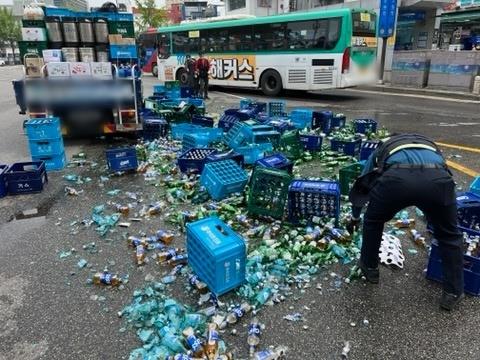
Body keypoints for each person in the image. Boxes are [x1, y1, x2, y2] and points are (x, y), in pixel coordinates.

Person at [347, 133, 464, 311]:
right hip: (438, 181)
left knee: (373, 220)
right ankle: (453, 292)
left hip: (396, 181)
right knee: (449, 235)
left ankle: (370, 268)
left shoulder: (383, 147)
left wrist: (355, 217)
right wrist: (439, 214)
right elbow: (445, 173)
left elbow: (363, 185)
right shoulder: (430, 146)